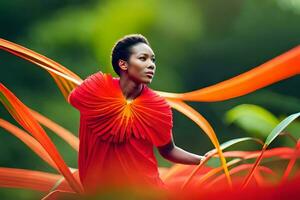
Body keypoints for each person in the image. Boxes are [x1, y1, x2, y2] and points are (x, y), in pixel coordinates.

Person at [68, 34, 206, 194]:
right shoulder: (96, 89)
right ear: (123, 64)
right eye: (143, 58)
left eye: (153, 60)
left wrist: (201, 160)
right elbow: (73, 99)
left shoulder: (158, 106)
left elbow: (168, 150)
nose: (151, 65)